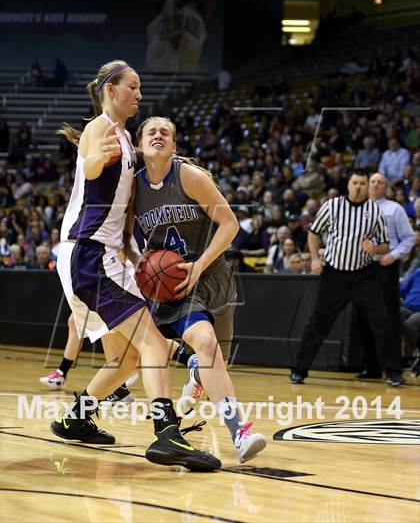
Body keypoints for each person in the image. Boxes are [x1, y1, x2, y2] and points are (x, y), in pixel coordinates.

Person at [50, 60, 220, 472]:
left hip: (103, 255)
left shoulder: (126, 137)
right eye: (133, 87)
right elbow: (89, 164)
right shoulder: (102, 128)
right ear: (111, 90)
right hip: (89, 255)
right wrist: (94, 160)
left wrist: (134, 255)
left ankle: (73, 419)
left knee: (127, 359)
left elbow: (122, 213)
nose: (139, 95)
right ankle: (166, 435)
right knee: (154, 345)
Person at [134, 116, 266, 463]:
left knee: (216, 357)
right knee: (206, 343)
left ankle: (196, 375)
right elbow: (125, 239)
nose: (159, 136)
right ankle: (240, 431)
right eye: (152, 132)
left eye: (166, 133)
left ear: (174, 146)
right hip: (174, 282)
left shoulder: (190, 176)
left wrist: (201, 264)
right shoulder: (133, 188)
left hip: (212, 273)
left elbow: (230, 224)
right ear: (140, 143)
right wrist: (139, 263)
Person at [290, 169, 405, 386]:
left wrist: (374, 248)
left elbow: (385, 245)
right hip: (334, 274)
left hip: (363, 275)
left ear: (367, 186)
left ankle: (393, 372)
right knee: (319, 322)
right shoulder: (333, 206)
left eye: (363, 183)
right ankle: (299, 369)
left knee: (382, 319)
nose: (359, 186)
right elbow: (313, 233)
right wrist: (314, 259)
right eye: (355, 183)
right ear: (349, 185)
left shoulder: (375, 210)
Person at [355, 173, 415, 379]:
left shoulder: (394, 209)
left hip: (384, 267)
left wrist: (393, 255)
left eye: (380, 182)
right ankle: (371, 367)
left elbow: (408, 239)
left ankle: (393, 370)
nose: (375, 184)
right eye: (372, 181)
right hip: (360, 269)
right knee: (362, 317)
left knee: (388, 318)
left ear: (386, 187)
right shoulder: (357, 209)